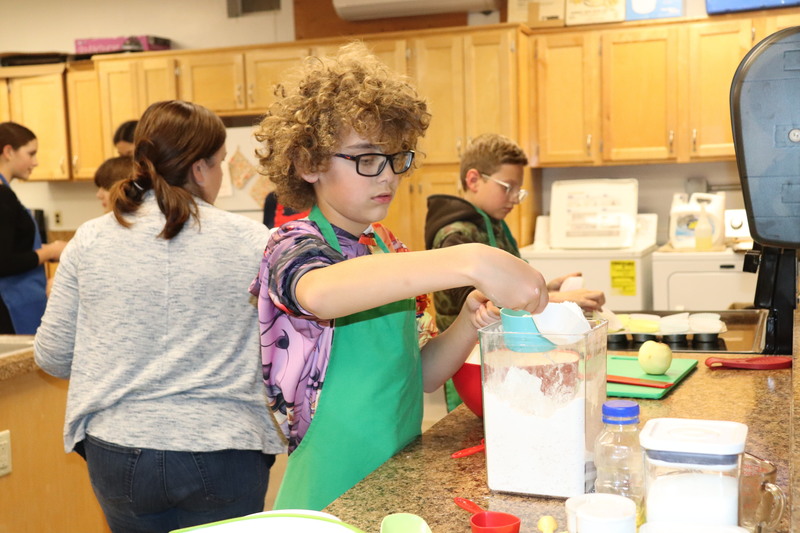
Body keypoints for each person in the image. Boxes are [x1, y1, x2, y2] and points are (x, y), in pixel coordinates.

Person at [249, 42, 549, 511]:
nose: (387, 176)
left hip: (398, 477)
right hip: (329, 489)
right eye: (367, 159)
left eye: (396, 158)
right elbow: (322, 293)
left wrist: (468, 323)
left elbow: (420, 377)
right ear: (308, 163)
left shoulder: (389, 248)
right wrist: (471, 258)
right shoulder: (292, 246)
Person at [34, 100, 285, 533]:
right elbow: (283, 351)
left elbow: (52, 356)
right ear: (202, 168)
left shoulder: (89, 239)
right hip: (224, 447)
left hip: (118, 449)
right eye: (221, 163)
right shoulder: (253, 241)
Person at [424, 133, 606, 410]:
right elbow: (474, 300)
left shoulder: (494, 224)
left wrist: (550, 288)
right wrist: (559, 302)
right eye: (506, 187)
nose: (514, 199)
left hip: (505, 355)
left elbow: (511, 285)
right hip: (469, 362)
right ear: (473, 180)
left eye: (518, 191)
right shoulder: (454, 236)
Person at [0, 122, 66, 334]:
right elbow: (3, 262)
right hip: (10, 305)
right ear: (9, 152)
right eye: (31, 153)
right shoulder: (2, 196)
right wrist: (50, 251)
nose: (36, 162)